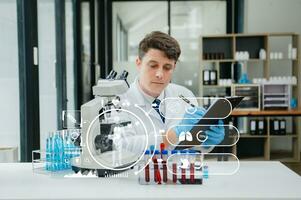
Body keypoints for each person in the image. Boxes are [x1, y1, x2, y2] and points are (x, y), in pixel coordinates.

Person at [121, 31, 224, 152]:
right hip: (141, 171)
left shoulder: (184, 95)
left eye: (167, 67)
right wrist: (172, 135)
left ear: (174, 67)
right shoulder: (120, 102)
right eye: (153, 65)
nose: (160, 74)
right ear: (139, 63)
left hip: (180, 169)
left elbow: (194, 147)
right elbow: (122, 146)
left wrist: (206, 139)